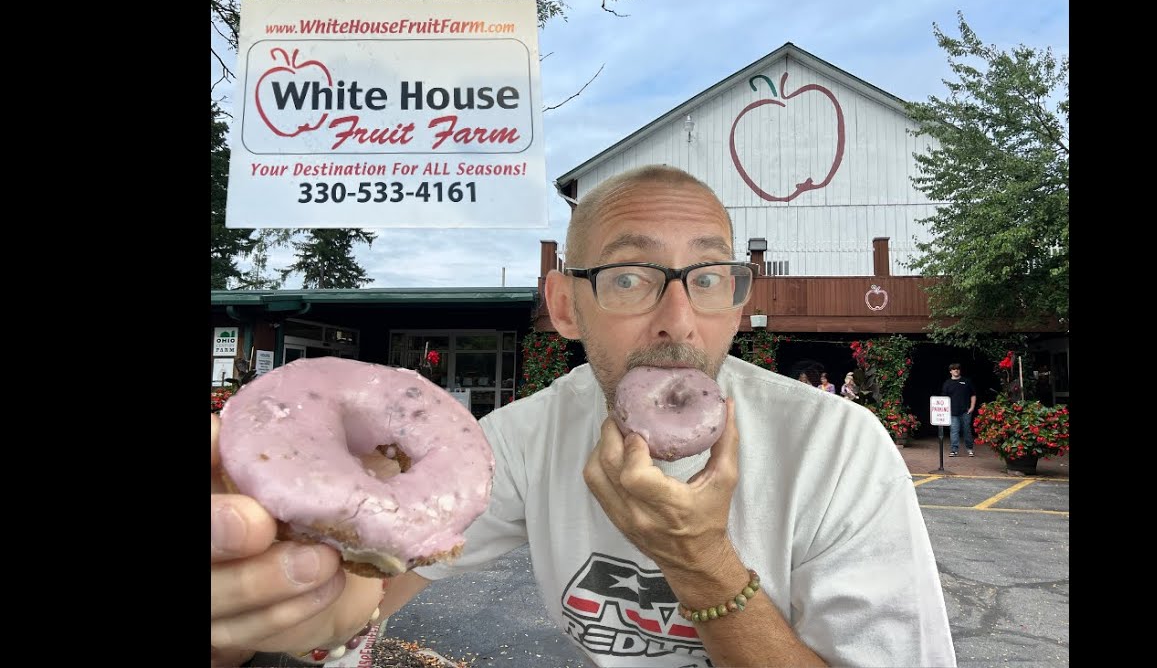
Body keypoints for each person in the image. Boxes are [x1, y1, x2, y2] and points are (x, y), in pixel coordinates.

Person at [210, 165, 956, 668]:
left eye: (707, 278)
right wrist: (285, 600)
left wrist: (702, 565)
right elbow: (363, 598)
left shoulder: (837, 447)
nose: (678, 321)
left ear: (738, 300)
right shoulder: (522, 440)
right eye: (630, 277)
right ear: (568, 306)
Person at [941, 362, 977, 457]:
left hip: (966, 411)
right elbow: (944, 399)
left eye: (957, 368)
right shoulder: (947, 383)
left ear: (959, 370)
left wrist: (972, 407)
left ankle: (970, 449)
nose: (956, 370)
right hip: (952, 412)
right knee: (954, 431)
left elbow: (973, 395)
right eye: (953, 369)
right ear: (950, 371)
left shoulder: (966, 381)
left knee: (967, 431)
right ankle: (954, 450)